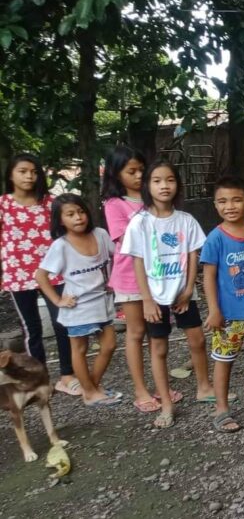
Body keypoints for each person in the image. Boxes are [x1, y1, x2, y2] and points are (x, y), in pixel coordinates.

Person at [122, 159, 211, 429]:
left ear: (177, 184)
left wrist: (188, 289)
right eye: (157, 181)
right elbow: (137, 261)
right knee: (158, 348)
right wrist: (146, 299)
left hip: (183, 293)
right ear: (148, 186)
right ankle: (167, 405)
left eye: (170, 180)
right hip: (154, 297)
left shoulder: (186, 220)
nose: (164, 186)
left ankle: (204, 387)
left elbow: (194, 255)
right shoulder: (140, 222)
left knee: (197, 340)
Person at [103, 145, 178, 413]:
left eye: (141, 170)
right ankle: (140, 388)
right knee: (136, 332)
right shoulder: (115, 204)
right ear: (116, 174)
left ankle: (161, 384)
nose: (138, 176)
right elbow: (126, 241)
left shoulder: (153, 200)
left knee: (158, 334)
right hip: (130, 277)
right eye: (130, 171)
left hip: (160, 277)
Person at [1, 153, 77, 395]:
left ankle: (67, 375)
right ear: (11, 174)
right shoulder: (3, 205)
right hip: (17, 273)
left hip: (53, 272)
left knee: (62, 321)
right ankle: (40, 378)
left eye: (34, 172)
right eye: (23, 171)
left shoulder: (50, 203)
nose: (29, 176)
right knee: (31, 328)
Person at [35, 194, 121, 406]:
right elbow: (41, 275)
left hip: (102, 301)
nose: (78, 218)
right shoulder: (61, 245)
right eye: (70, 214)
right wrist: (57, 300)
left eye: (81, 212)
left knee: (109, 345)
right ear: (60, 219)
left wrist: (115, 280)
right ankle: (91, 393)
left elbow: (118, 256)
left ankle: (91, 386)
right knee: (79, 349)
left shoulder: (100, 234)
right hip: (78, 307)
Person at [200, 176, 244, 433]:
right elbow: (207, 276)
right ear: (215, 205)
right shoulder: (215, 238)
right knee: (224, 359)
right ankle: (221, 408)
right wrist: (214, 310)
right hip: (230, 315)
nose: (230, 205)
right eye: (223, 201)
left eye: (236, 199)